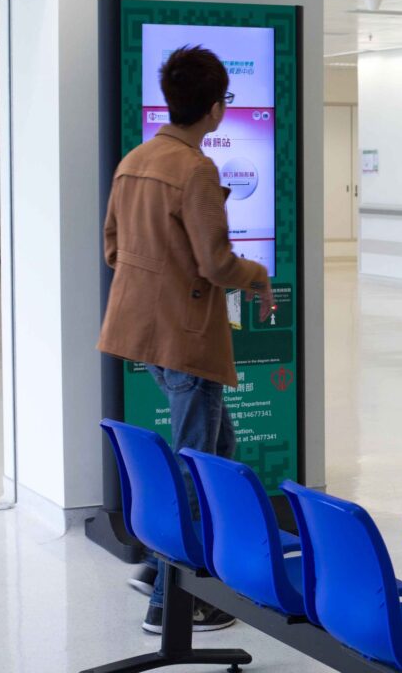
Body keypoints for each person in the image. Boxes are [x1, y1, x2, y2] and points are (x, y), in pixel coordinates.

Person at [97, 46, 275, 634]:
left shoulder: (134, 160)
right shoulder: (195, 169)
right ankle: (171, 602)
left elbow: (113, 248)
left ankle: (157, 566)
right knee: (200, 466)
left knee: (219, 448)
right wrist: (257, 275)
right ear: (216, 107)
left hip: (143, 331)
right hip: (186, 335)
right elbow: (217, 264)